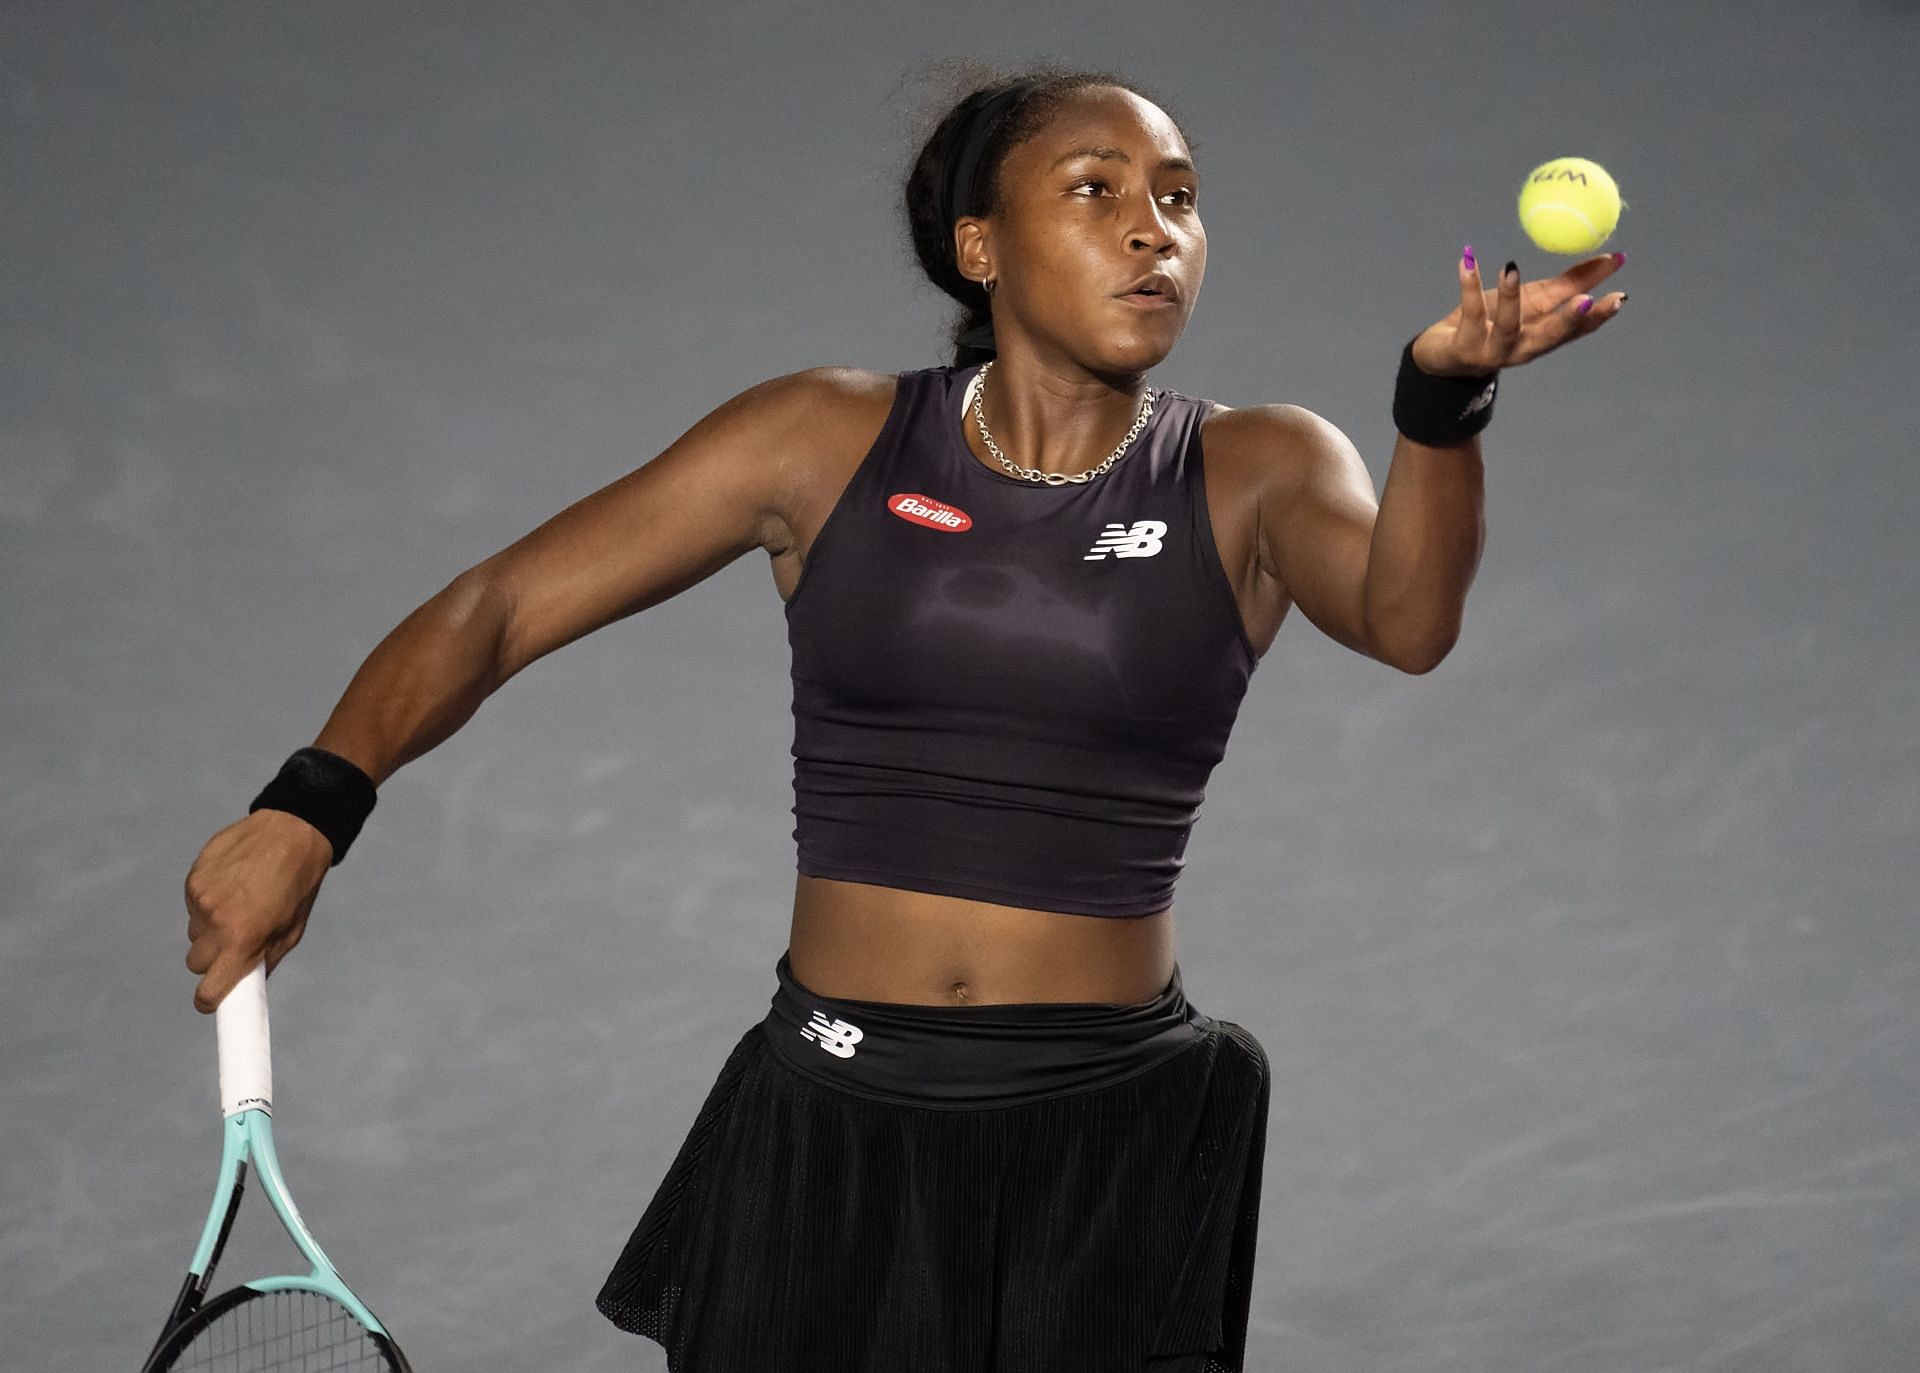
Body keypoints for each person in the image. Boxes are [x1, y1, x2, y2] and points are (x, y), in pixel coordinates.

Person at [181, 63, 1626, 1373]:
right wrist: (311, 804)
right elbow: (497, 607)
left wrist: (1439, 403)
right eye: (1098, 190)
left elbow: (1409, 620)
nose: (1154, 229)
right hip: (832, 1120)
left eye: (1180, 199)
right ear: (978, 246)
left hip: (1103, 1132)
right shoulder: (824, 435)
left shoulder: (1254, 465)